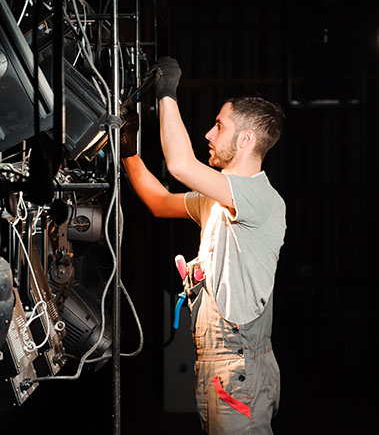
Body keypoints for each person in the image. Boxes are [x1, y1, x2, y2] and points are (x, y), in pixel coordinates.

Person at [120, 57, 286, 434]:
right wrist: (128, 150)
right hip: (215, 365)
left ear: (245, 139)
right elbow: (160, 202)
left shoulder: (260, 198)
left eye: (219, 126)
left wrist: (167, 91)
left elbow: (180, 165)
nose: (209, 135)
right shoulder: (217, 198)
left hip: (240, 367)